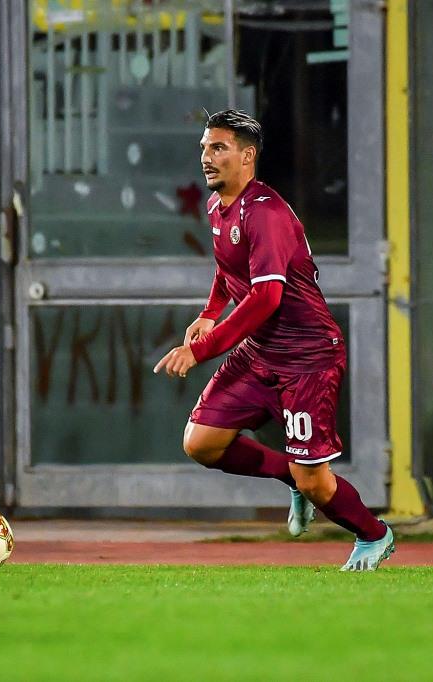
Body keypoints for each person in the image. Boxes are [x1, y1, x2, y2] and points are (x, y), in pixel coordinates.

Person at [153, 109, 395, 570]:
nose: (206, 157)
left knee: (316, 483)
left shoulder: (265, 213)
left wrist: (201, 349)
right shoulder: (218, 205)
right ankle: (290, 476)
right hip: (260, 353)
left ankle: (373, 534)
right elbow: (228, 268)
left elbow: (266, 297)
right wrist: (209, 313)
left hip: (307, 358)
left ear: (247, 157)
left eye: (218, 148)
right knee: (201, 442)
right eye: (204, 147)